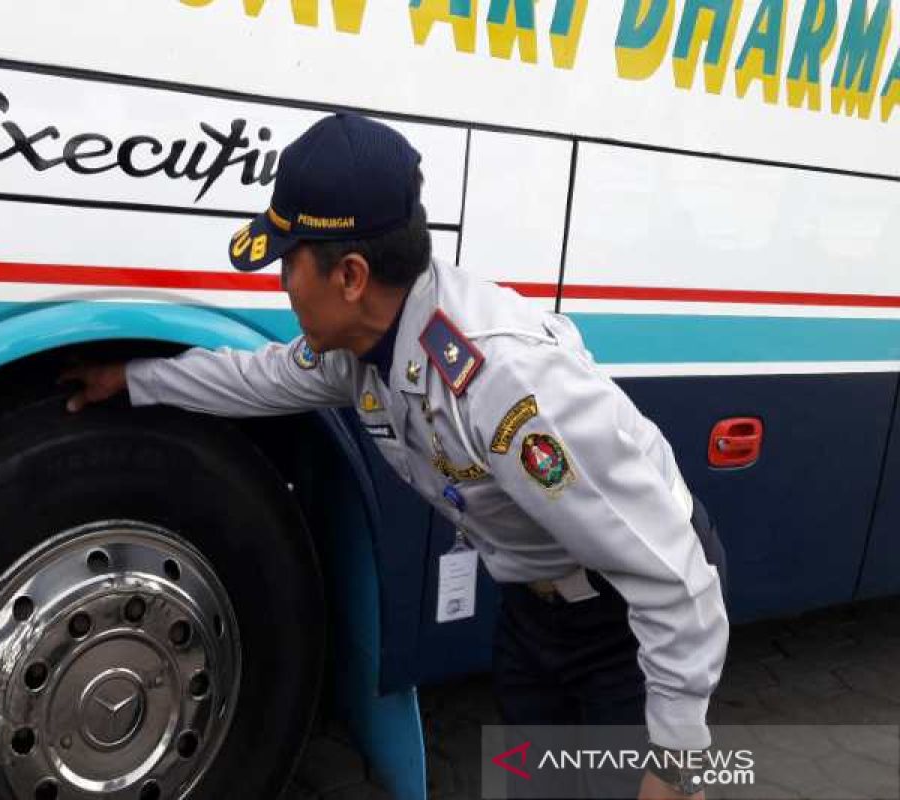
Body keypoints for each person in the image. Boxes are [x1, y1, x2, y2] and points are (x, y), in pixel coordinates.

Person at [60, 113, 729, 799]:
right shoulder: (365, 350)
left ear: (350, 275)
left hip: (627, 615)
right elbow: (257, 377)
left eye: (289, 262)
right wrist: (136, 380)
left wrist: (676, 759)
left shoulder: (503, 384)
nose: (283, 284)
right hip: (539, 610)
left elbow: (674, 580)